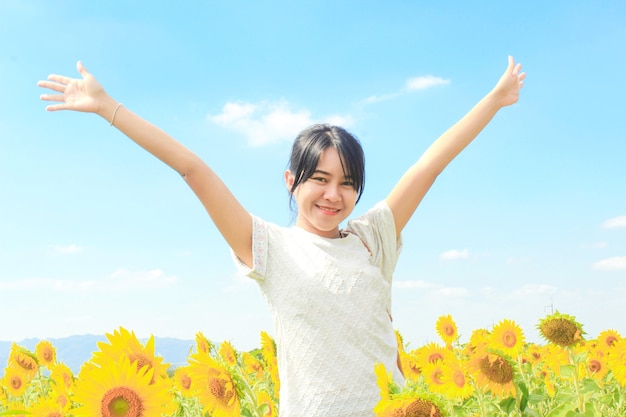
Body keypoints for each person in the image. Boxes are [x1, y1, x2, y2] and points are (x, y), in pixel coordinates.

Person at [38, 56, 525, 416]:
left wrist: (495, 99)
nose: (335, 195)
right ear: (291, 181)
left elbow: (430, 165)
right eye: (320, 179)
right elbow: (192, 169)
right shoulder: (269, 249)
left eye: (348, 183)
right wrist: (108, 108)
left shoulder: (372, 237)